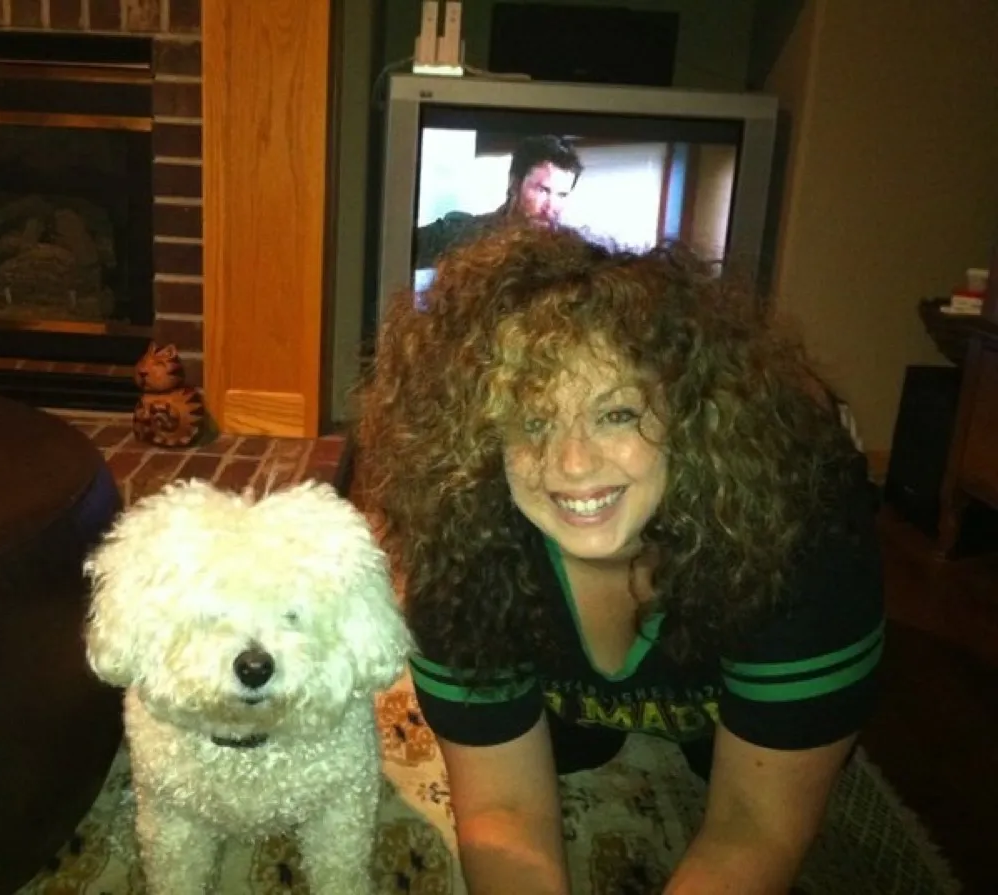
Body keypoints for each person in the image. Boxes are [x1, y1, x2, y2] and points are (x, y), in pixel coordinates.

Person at [355, 223, 885, 894]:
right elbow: (504, 810)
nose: (573, 464)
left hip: (751, 597)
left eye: (616, 414)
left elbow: (753, 827)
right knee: (573, 748)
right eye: (533, 421)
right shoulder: (458, 545)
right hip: (567, 675)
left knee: (722, 759)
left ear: (687, 409)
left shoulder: (803, 544)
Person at [414, 135, 584, 268]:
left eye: (562, 195)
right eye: (543, 190)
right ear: (514, 183)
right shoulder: (461, 235)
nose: (551, 207)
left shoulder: (571, 255)